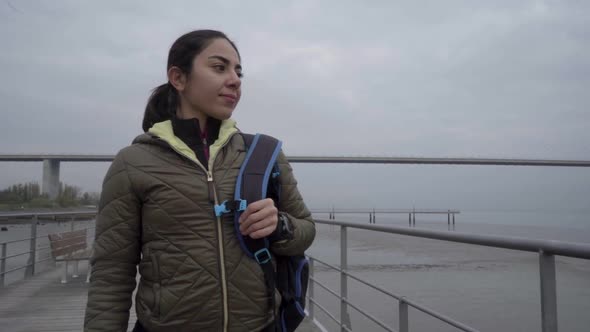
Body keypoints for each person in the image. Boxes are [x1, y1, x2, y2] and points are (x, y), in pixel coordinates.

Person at [83, 29, 316, 332]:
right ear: (178, 78)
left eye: (238, 70)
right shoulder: (132, 163)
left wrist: (280, 226)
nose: (235, 79)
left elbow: (306, 230)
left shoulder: (263, 154)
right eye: (219, 68)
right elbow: (111, 272)